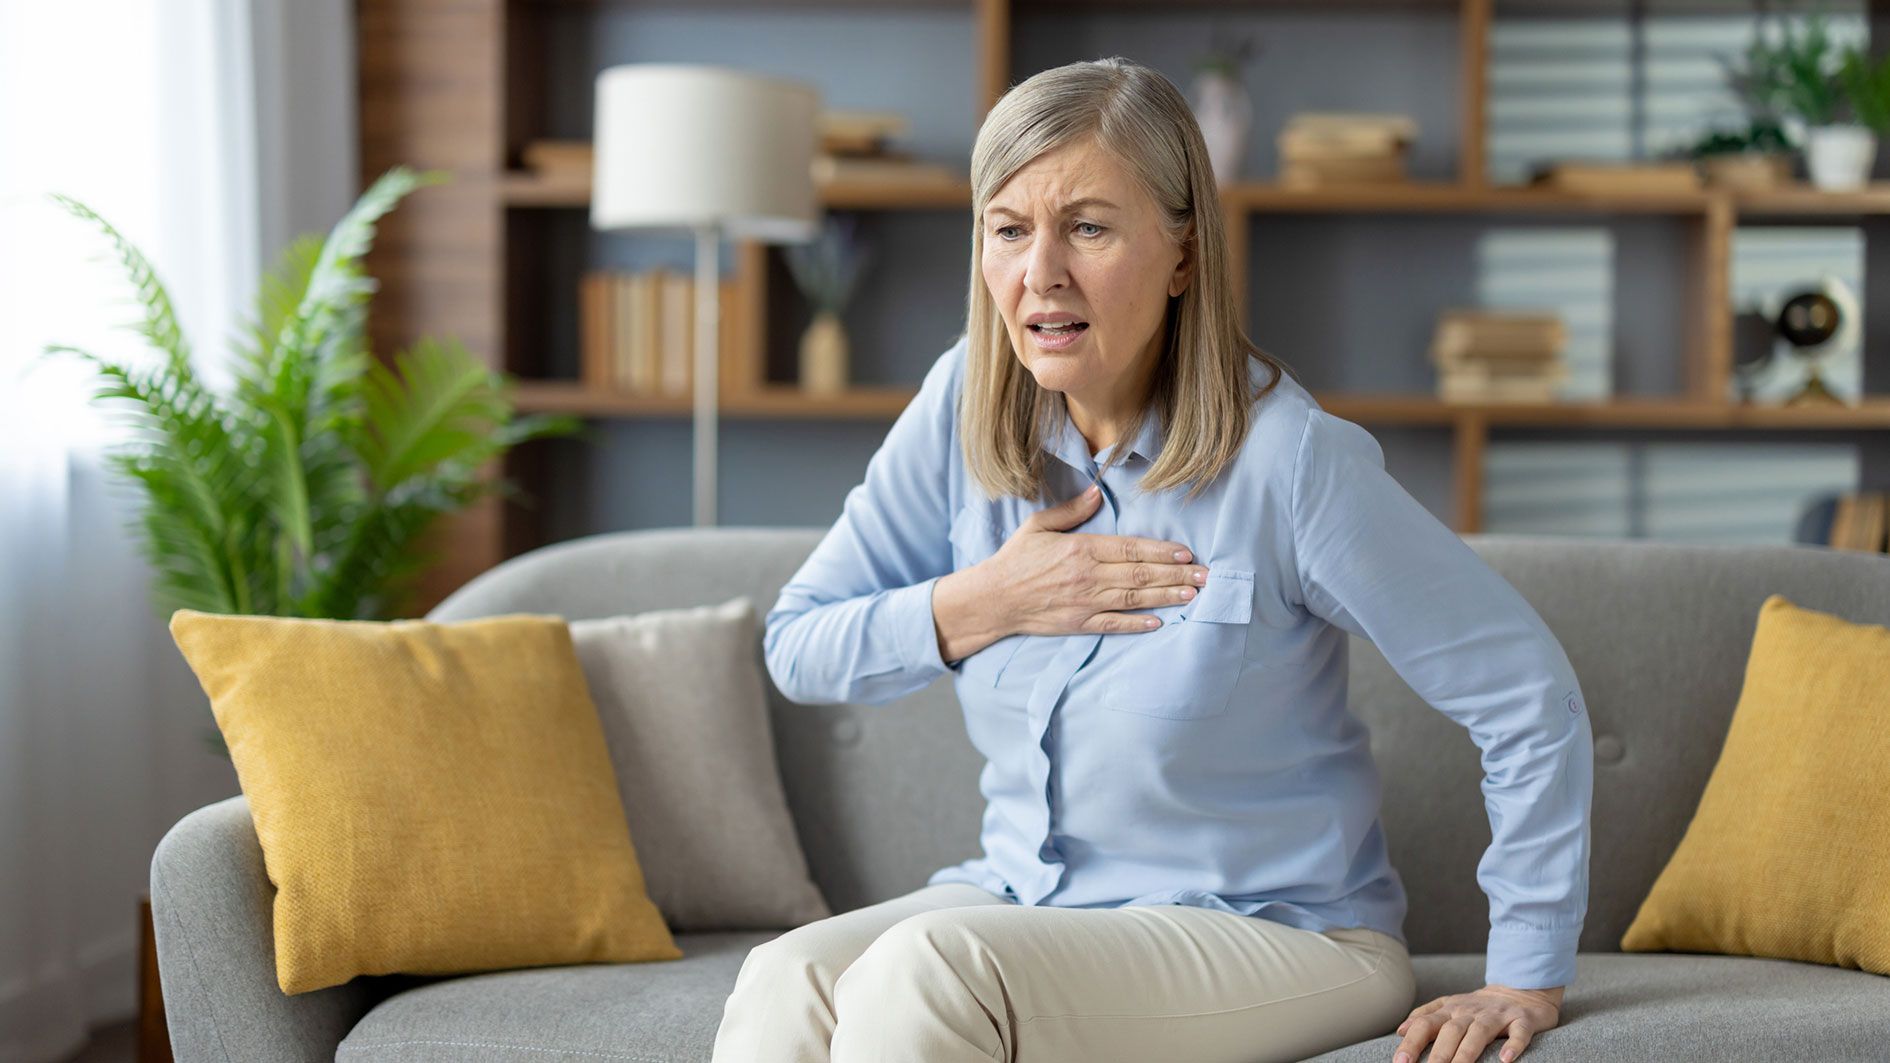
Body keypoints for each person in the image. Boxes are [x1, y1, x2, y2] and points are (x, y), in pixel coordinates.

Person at [713, 55, 1592, 1063]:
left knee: (931, 969)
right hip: (1025, 897)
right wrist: (983, 601)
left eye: (1088, 227)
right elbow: (797, 643)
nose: (1041, 271)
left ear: (1182, 253)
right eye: (1009, 229)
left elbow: (1526, 692)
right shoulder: (962, 404)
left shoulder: (1290, 461)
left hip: (1276, 933)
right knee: (784, 977)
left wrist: (1525, 975)